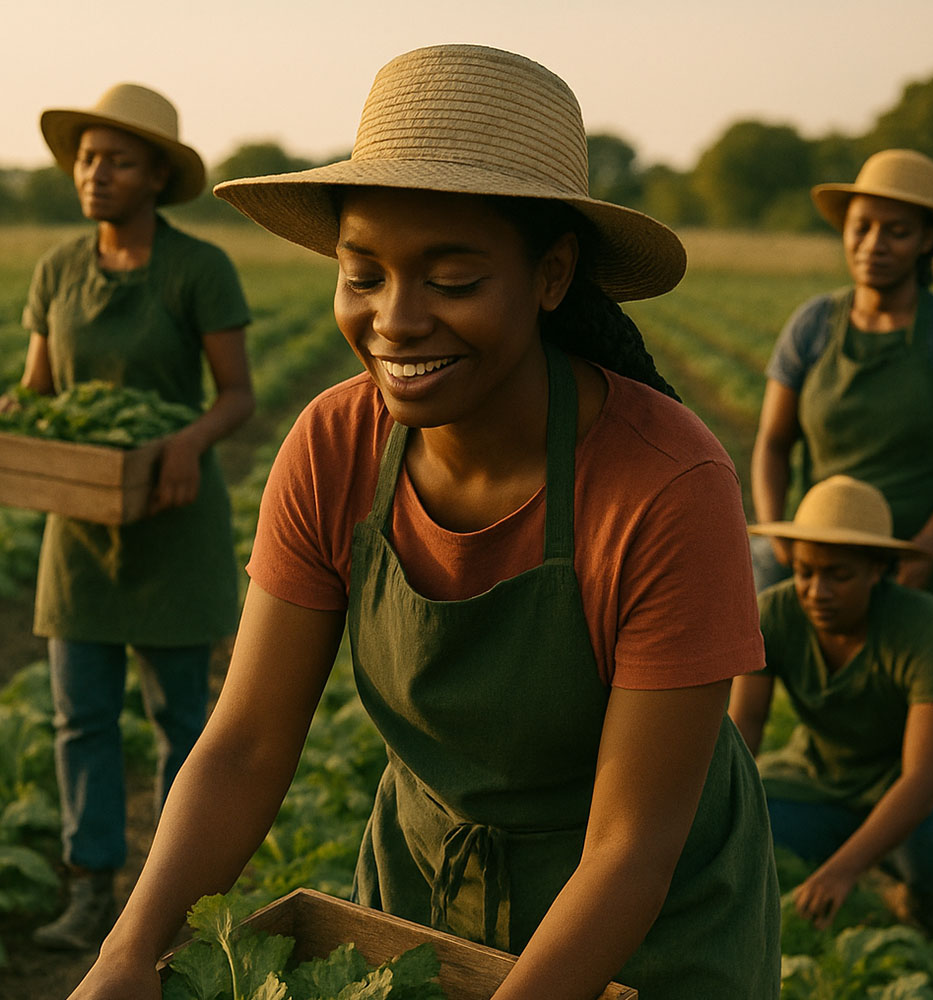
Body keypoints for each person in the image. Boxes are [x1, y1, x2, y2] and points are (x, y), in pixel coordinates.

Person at [68, 44, 780, 999]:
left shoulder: (665, 485)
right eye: (363, 274)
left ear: (552, 274)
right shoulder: (334, 447)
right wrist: (125, 955)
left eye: (452, 281)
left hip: (649, 924)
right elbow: (245, 745)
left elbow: (629, 846)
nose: (396, 320)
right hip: (425, 895)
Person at [4, 83, 254, 951]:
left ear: (155, 176)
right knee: (80, 719)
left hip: (174, 520)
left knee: (184, 721)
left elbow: (237, 396)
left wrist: (186, 444)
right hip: (81, 527)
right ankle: (90, 887)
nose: (95, 173)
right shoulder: (58, 271)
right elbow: (41, 389)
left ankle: (179, 896)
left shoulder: (199, 270)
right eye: (87, 158)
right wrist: (18, 417)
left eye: (117, 160)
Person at [750, 149, 933, 650]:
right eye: (861, 227)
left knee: (924, 675)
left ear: (926, 240)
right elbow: (772, 443)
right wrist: (780, 538)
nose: (873, 245)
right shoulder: (813, 326)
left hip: (913, 550)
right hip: (824, 553)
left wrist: (927, 547)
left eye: (897, 231)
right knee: (774, 664)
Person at [730, 475, 933, 937]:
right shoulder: (776, 614)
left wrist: (841, 871)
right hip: (828, 776)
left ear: (877, 570)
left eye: (839, 575)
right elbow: (745, 728)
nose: (817, 591)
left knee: (926, 831)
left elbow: (927, 777)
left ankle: (925, 898)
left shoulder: (924, 628)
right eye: (805, 572)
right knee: (744, 815)